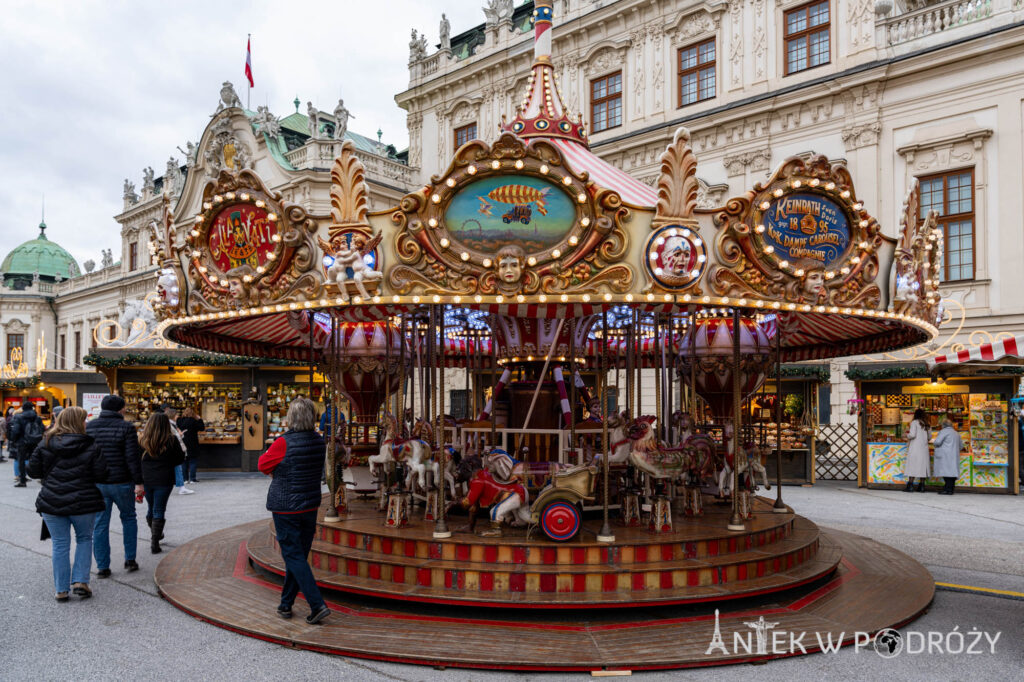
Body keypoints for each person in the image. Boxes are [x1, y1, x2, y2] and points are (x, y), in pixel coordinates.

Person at [258, 397, 330, 625]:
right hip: (309, 503)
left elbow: (262, 465)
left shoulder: (283, 442)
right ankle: (285, 603)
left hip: (286, 505)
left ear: (291, 418)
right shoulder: (320, 441)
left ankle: (316, 603)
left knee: (293, 555)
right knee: (298, 555)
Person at [27, 407, 108, 601]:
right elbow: (102, 474)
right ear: (79, 422)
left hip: (52, 501)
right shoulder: (91, 445)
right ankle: (80, 581)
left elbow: (32, 471)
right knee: (84, 539)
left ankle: (61, 589)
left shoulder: (45, 442)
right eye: (84, 420)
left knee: (60, 544)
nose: (86, 423)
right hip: (84, 501)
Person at [86, 395, 143, 576]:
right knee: (128, 518)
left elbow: (87, 456)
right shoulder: (126, 427)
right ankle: (130, 559)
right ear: (121, 409)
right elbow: (132, 458)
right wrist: (139, 482)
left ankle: (103, 566)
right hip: (122, 481)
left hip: (98, 482)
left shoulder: (90, 427)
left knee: (100, 524)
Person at [138, 412, 185, 553]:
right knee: (159, 509)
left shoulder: (141, 440)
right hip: (164, 479)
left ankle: (156, 534)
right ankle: (155, 541)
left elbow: (135, 460)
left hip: (146, 478)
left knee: (151, 507)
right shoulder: (171, 440)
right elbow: (180, 459)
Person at [9, 402, 44, 487]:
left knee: (21, 460)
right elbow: (42, 429)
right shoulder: (37, 418)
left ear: (23, 408)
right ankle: (42, 478)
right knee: (38, 458)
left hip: (22, 442)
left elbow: (16, 430)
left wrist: (13, 440)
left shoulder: (19, 417)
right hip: (34, 441)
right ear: (32, 408)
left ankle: (23, 481)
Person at [163, 406, 195, 495]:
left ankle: (181, 486)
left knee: (177, 468)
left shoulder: (172, 423)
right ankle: (181, 487)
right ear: (173, 415)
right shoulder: (170, 424)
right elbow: (173, 437)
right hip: (174, 449)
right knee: (177, 467)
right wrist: (180, 434)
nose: (177, 416)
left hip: (174, 449)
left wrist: (180, 434)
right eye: (176, 414)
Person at [931, 418, 962, 495]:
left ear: (943, 425)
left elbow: (937, 442)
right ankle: (950, 489)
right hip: (954, 455)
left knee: (946, 473)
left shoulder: (943, 432)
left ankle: (947, 490)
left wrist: (933, 441)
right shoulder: (956, 433)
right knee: (952, 472)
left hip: (945, 455)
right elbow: (961, 446)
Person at [176, 407, 206, 484]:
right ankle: (192, 479)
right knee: (193, 461)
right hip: (193, 443)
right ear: (193, 413)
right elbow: (202, 428)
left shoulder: (179, 420)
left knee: (184, 462)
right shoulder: (193, 421)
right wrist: (199, 419)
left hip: (182, 443)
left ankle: (185, 479)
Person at [904, 407, 930, 492]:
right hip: (924, 448)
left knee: (912, 466)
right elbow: (929, 437)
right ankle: (922, 486)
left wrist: (906, 435)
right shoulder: (927, 424)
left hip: (915, 447)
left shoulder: (914, 422)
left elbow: (912, 435)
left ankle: (910, 486)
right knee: (923, 466)